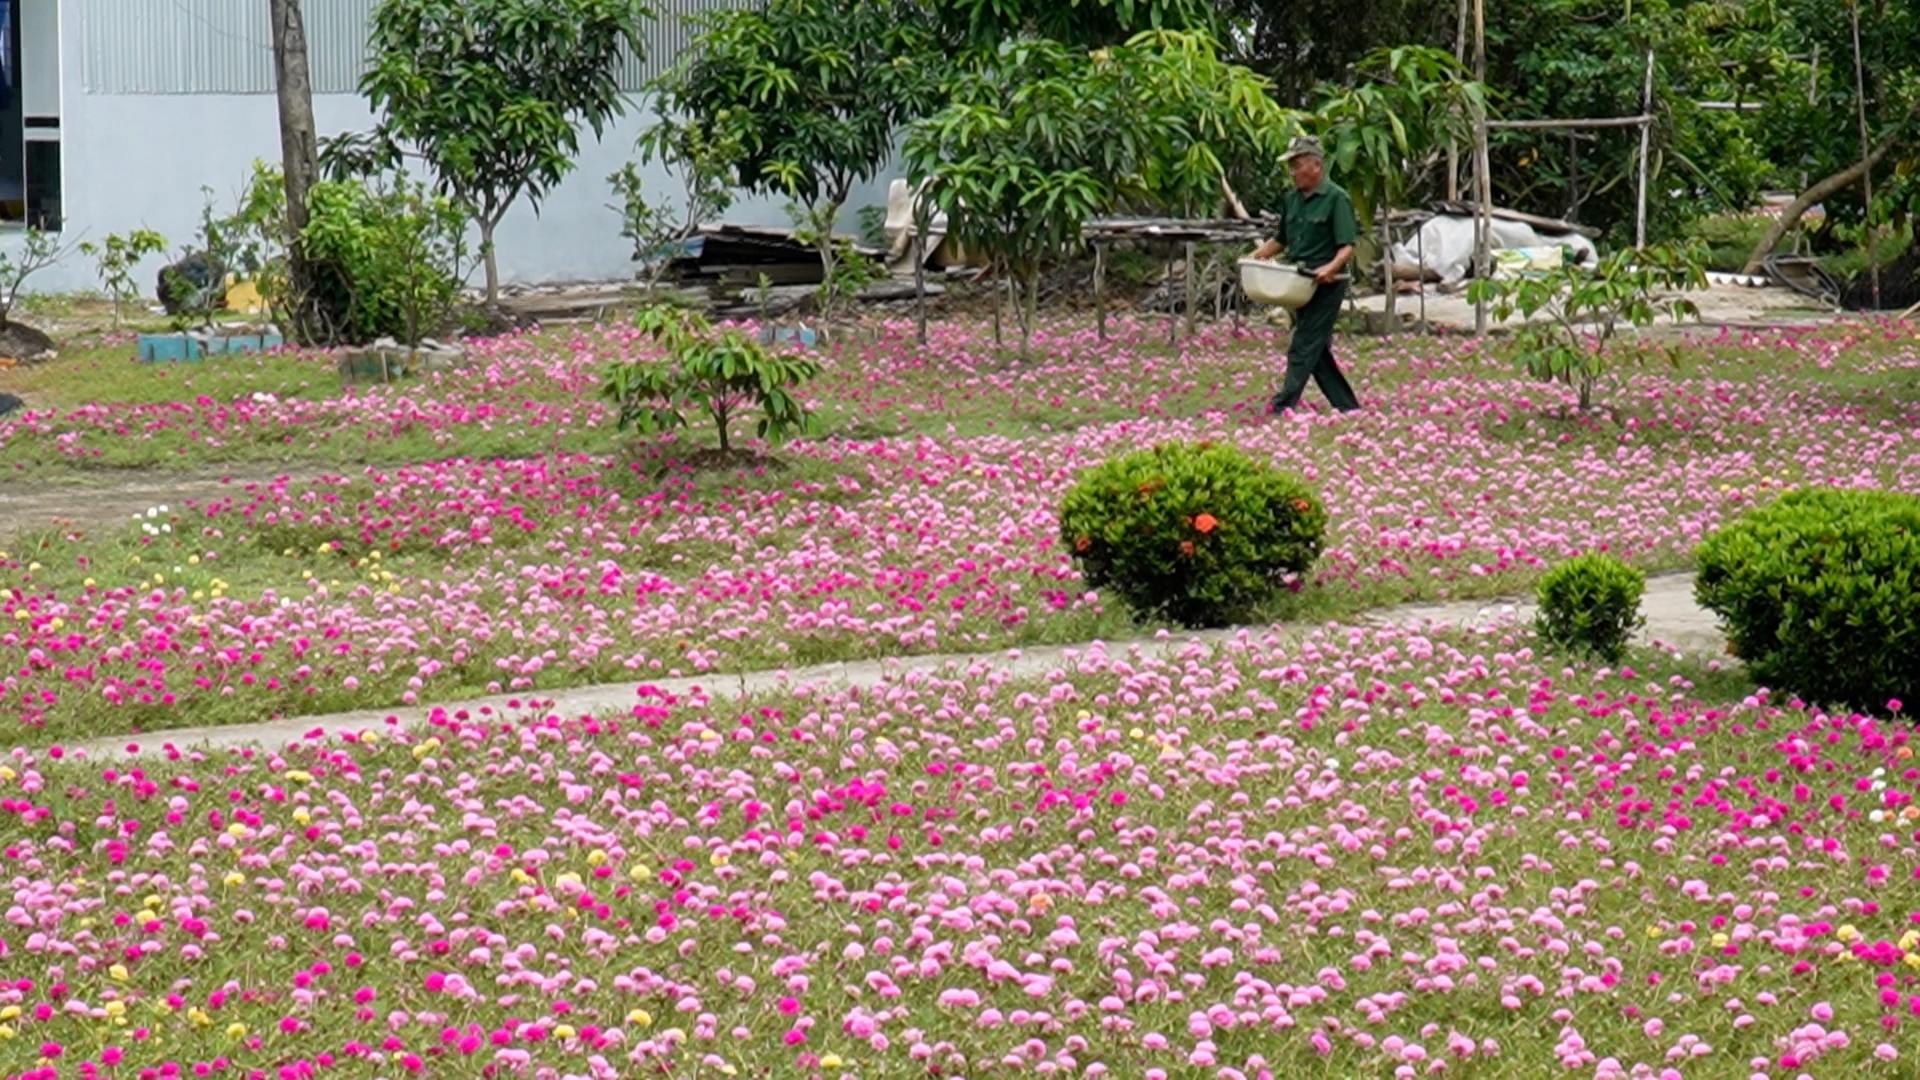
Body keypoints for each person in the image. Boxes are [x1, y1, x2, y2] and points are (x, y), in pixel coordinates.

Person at [1249, 135, 1362, 414]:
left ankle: (1283, 404)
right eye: (1291, 166)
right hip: (1299, 281)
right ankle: (1347, 407)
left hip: (1327, 283)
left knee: (1303, 345)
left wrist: (1329, 269)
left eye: (1297, 165)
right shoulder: (1292, 200)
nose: (1293, 172)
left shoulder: (1337, 199)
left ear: (1316, 165)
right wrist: (1255, 258)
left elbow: (1347, 246)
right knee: (1317, 351)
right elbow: (1281, 240)